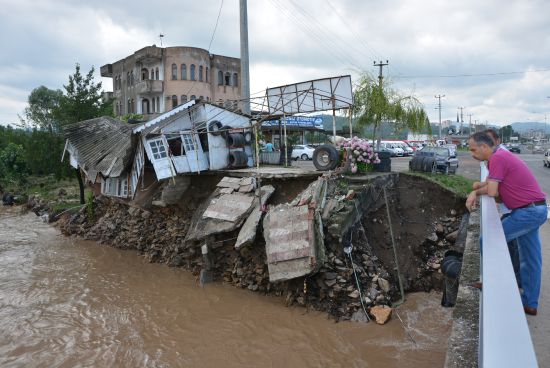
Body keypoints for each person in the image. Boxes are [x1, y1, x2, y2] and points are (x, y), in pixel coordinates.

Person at [465, 132, 547, 315]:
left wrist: (475, 192)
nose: (471, 153)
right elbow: (490, 187)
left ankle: (492, 285)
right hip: (535, 209)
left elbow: (492, 191)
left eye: (473, 149)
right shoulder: (500, 157)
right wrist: (478, 190)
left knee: (487, 241)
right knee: (531, 259)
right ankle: (530, 303)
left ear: (484, 147)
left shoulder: (498, 158)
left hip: (528, 212)